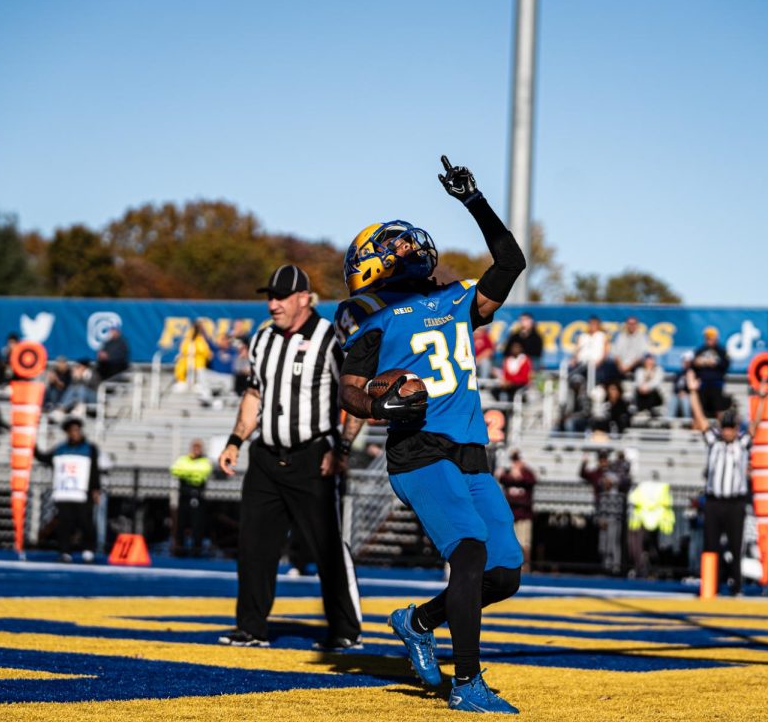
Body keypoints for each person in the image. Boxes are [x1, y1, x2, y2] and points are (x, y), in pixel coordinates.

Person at [336, 157, 526, 713]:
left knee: (504, 573)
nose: (405, 249)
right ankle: (466, 683)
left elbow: (510, 260)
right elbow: (348, 389)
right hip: (418, 450)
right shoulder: (372, 318)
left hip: (470, 452)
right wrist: (377, 401)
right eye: (392, 247)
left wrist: (474, 201)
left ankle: (417, 622)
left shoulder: (458, 301)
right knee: (467, 551)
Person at [217, 264, 364, 652]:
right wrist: (236, 439)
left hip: (312, 454)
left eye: (281, 297)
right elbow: (254, 393)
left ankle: (345, 629)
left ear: (304, 298)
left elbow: (355, 397)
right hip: (266, 453)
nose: (272, 304)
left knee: (325, 545)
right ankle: (250, 627)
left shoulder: (331, 337)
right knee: (253, 545)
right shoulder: (263, 338)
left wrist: (342, 448)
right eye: (269, 296)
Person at [689, 371, 761, 595]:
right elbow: (700, 420)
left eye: (731, 429)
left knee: (735, 546)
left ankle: (736, 587)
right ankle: (709, 585)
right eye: (726, 428)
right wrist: (693, 392)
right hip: (713, 501)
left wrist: (762, 399)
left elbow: (755, 426)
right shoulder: (714, 442)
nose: (728, 432)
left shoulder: (742, 443)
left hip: (734, 503)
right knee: (710, 545)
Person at [35, 418, 101, 562]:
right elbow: (44, 458)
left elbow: (95, 470)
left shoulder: (90, 449)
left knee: (86, 523)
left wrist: (96, 489)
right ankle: (65, 552)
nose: (75, 433)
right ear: (67, 433)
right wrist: (32, 447)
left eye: (77, 430)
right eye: (72, 431)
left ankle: (88, 551)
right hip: (65, 493)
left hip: (84, 493)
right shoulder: (61, 449)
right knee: (65, 523)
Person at [581, 451, 631, 573]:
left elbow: (625, 478)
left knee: (614, 541)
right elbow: (585, 475)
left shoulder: (616, 478)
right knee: (603, 543)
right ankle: (606, 565)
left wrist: (622, 459)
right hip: (603, 512)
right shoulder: (599, 479)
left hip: (615, 514)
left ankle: (615, 567)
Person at [170, 439, 212, 556]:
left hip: (198, 496)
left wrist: (187, 471)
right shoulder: (183, 459)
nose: (196, 450)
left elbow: (203, 472)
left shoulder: (205, 460)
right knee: (181, 524)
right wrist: (193, 472)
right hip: (184, 496)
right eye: (195, 447)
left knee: (197, 524)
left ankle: (197, 550)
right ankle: (179, 549)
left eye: (199, 447)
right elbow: (175, 469)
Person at [496, 452, 536, 571]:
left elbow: (531, 481)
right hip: (510, 515)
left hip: (523, 515)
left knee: (524, 543)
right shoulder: (508, 473)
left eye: (517, 460)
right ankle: (510, 566)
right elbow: (501, 478)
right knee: (508, 542)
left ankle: (525, 567)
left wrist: (519, 477)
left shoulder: (528, 474)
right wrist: (511, 476)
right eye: (514, 461)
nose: (515, 463)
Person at [692, 327, 730, 416]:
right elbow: (693, 365)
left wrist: (714, 363)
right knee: (701, 408)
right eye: (708, 337)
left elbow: (726, 364)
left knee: (718, 407)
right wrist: (698, 363)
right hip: (702, 384)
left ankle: (720, 427)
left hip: (716, 383)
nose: (710, 340)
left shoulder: (721, 351)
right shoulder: (700, 350)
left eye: (712, 337)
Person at [611, 316, 650, 381]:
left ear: (637, 325)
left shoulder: (642, 337)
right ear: (626, 325)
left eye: (633, 324)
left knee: (641, 368)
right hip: (621, 365)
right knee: (609, 366)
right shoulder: (620, 336)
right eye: (629, 324)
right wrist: (620, 365)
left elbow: (641, 356)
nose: (631, 326)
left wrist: (628, 366)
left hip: (635, 365)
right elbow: (615, 353)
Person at [495, 339, 532, 404]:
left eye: (517, 347)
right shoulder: (507, 360)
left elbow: (524, 377)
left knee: (514, 391)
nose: (515, 349)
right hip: (509, 385)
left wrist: (511, 382)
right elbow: (505, 374)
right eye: (513, 347)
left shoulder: (525, 360)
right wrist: (505, 382)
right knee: (495, 390)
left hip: (520, 384)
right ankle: (503, 409)